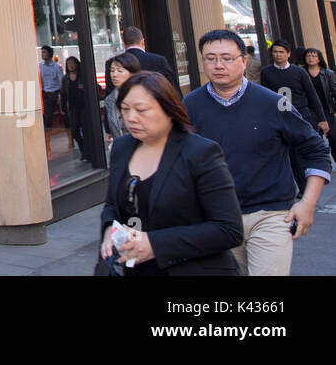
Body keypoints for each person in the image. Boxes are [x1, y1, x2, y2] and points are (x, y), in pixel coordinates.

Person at [184, 30, 330, 276]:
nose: (218, 65)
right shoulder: (189, 106)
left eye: (227, 58)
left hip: (270, 214)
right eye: (210, 58)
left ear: (244, 61)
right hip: (214, 217)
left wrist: (308, 203)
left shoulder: (273, 103)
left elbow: (315, 149)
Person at [98, 71, 242, 275]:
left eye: (141, 110)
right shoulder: (122, 147)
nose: (131, 118)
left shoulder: (200, 153)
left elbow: (229, 230)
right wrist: (109, 231)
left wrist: (155, 244)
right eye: (125, 109)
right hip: (137, 269)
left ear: (168, 109)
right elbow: (112, 204)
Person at [259, 41, 328, 137]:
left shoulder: (300, 72)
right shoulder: (266, 72)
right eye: (275, 52)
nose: (278, 54)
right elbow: (265, 96)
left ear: (288, 54)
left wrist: (322, 119)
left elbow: (312, 95)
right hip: (279, 116)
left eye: (281, 52)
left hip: (300, 115)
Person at [121, 26, 178, 90]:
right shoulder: (159, 61)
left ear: (123, 44)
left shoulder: (114, 63)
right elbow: (174, 89)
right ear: (143, 42)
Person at [104, 52, 142, 141]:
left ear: (132, 73)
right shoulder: (110, 99)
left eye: (119, 71)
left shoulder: (144, 95)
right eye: (112, 70)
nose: (114, 75)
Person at [304, 48, 336, 147]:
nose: (310, 58)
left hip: (327, 109)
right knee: (315, 139)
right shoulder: (302, 73)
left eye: (313, 56)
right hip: (310, 110)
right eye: (308, 56)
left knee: (334, 138)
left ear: (319, 59)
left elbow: (334, 91)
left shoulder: (328, 73)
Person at [62, 56, 87, 154]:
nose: (71, 65)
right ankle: (83, 149)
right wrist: (63, 108)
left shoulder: (82, 76)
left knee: (86, 130)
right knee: (74, 131)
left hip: (83, 107)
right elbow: (63, 94)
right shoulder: (65, 79)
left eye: (73, 63)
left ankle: (87, 151)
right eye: (69, 64)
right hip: (72, 108)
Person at [39, 46, 63, 130]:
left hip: (55, 92)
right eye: (42, 52)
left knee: (63, 114)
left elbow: (61, 81)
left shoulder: (56, 67)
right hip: (46, 93)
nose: (42, 54)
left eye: (44, 52)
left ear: (49, 53)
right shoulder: (40, 66)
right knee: (47, 115)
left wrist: (60, 94)